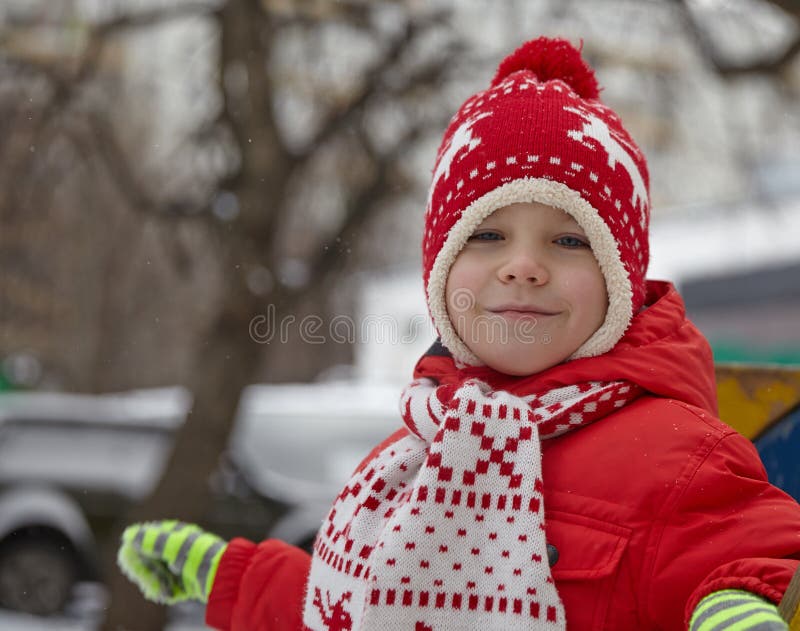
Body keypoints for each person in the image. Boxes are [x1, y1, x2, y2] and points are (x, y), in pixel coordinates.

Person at [117, 37, 800, 630]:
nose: (524, 266)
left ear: (621, 280)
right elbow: (360, 605)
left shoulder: (677, 456)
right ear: (441, 273)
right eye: (488, 235)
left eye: (567, 239)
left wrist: (733, 600)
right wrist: (230, 574)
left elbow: (744, 551)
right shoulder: (413, 453)